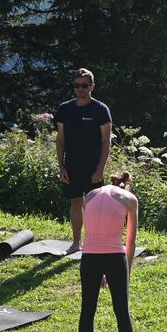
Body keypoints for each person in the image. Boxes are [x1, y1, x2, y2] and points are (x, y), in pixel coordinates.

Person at [78, 170, 143, 332]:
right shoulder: (130, 199)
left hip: (89, 257)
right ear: (126, 185)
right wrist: (127, 271)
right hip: (114, 256)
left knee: (87, 307)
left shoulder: (90, 196)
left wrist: (100, 270)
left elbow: (89, 232)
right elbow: (130, 241)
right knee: (121, 309)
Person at [56, 68, 113, 255]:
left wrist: (100, 169)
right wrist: (61, 166)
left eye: (84, 85)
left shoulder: (101, 109)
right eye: (77, 85)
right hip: (71, 165)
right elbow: (60, 139)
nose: (80, 89)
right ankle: (76, 243)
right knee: (75, 203)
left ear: (92, 87)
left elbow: (106, 141)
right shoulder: (65, 109)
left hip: (93, 167)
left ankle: (94, 243)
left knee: (94, 207)